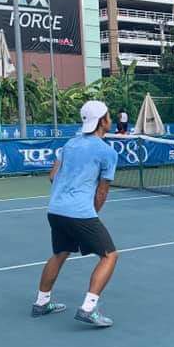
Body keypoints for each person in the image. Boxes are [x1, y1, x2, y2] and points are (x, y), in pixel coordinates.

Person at [32, 100, 119, 328]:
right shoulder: (107, 152)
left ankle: (41, 303)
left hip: (55, 210)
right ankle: (88, 308)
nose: (110, 119)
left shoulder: (70, 144)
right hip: (80, 213)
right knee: (110, 256)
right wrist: (91, 214)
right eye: (109, 116)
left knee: (60, 253)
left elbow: (53, 176)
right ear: (102, 121)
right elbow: (102, 192)